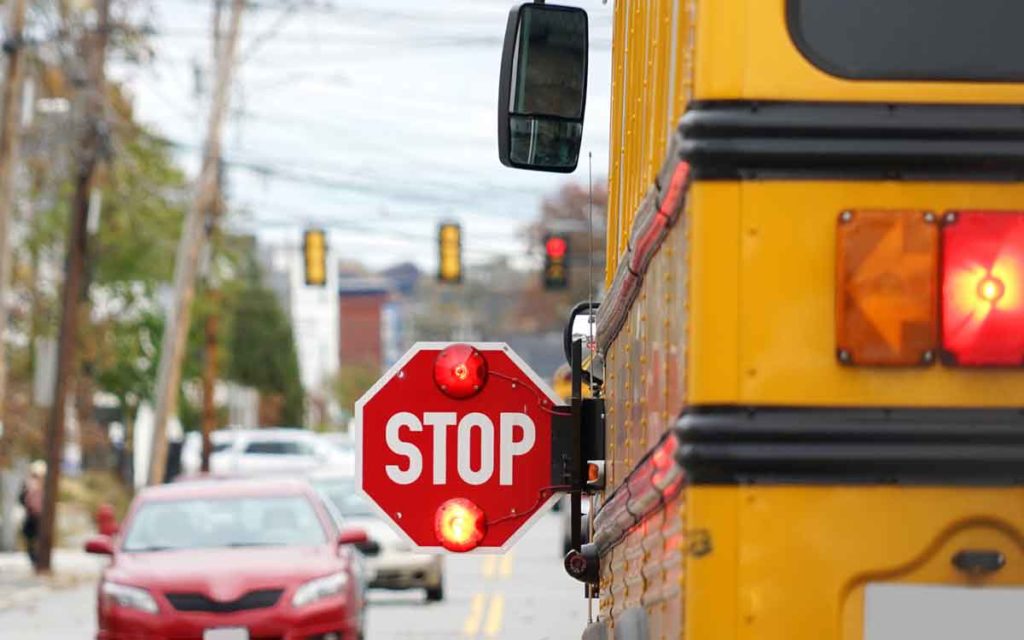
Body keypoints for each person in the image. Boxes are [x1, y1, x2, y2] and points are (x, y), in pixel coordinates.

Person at [19, 460, 46, 569]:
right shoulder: (28, 484)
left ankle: (38, 560)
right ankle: (34, 560)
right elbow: (21, 499)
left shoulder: (45, 485)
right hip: (31, 515)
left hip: (41, 516)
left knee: (39, 539)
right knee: (29, 538)